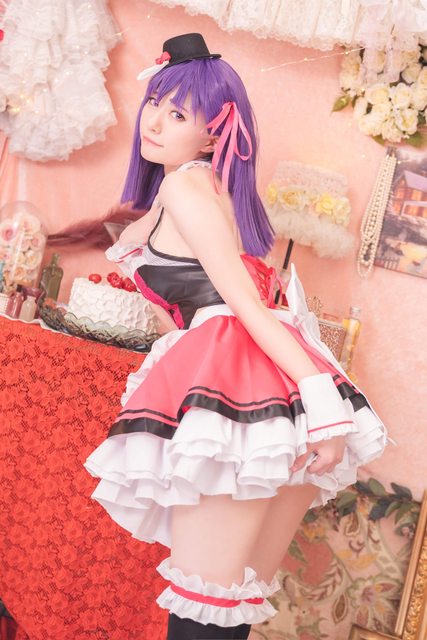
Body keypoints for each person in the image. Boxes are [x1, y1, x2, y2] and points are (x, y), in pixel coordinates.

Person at [84, 33, 390, 640]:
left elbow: (245, 305)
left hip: (240, 388)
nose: (154, 121)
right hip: (269, 396)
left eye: (179, 114)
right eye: (155, 103)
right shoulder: (206, 188)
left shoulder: (186, 187)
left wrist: (326, 409)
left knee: (205, 608)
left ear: (212, 134)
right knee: (232, 605)